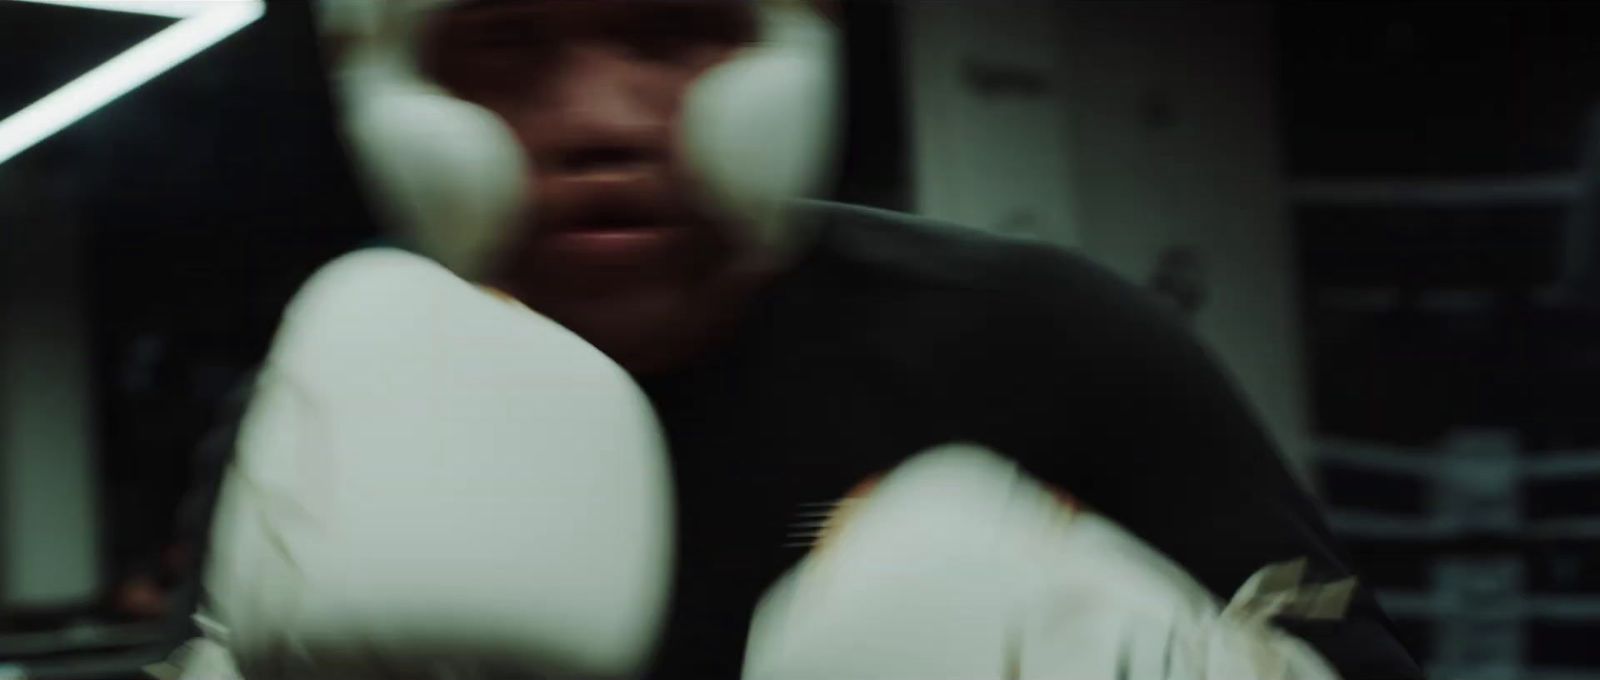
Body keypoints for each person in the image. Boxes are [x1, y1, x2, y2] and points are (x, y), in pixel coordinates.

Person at [174, 1, 1422, 678]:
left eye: (669, 35)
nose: (602, 121)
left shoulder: (1044, 339)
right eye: (507, 42)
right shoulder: (333, 410)